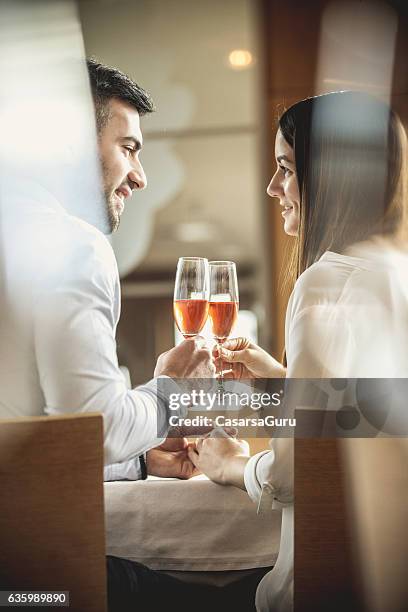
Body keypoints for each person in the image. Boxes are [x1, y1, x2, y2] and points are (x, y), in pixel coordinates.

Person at [189, 91, 408, 611]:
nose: (273, 187)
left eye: (285, 167)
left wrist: (235, 465)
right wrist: (284, 383)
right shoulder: (397, 274)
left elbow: (299, 472)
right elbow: (372, 424)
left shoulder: (327, 280)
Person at [0, 58, 216, 476]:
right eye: (129, 149)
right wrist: (171, 392)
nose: (140, 177)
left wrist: (136, 460)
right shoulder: (73, 245)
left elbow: (29, 438)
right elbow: (94, 431)